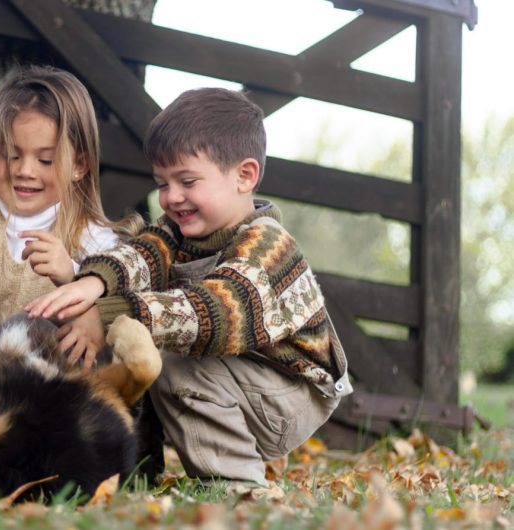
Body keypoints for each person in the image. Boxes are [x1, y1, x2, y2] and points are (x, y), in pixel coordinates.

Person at [25, 87, 352, 486]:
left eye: (187, 181)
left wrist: (109, 315)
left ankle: (236, 488)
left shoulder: (268, 247)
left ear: (244, 176)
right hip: (242, 377)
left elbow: (211, 313)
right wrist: (94, 284)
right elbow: (142, 255)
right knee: (139, 345)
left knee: (169, 354)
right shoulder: (178, 232)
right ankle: (132, 470)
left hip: (291, 394)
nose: (171, 198)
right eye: (162, 183)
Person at [0, 66, 135, 353]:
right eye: (11, 155)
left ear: (79, 166)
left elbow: (116, 309)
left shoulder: (92, 236)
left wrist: (73, 275)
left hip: (47, 382)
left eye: (45, 160)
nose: (25, 170)